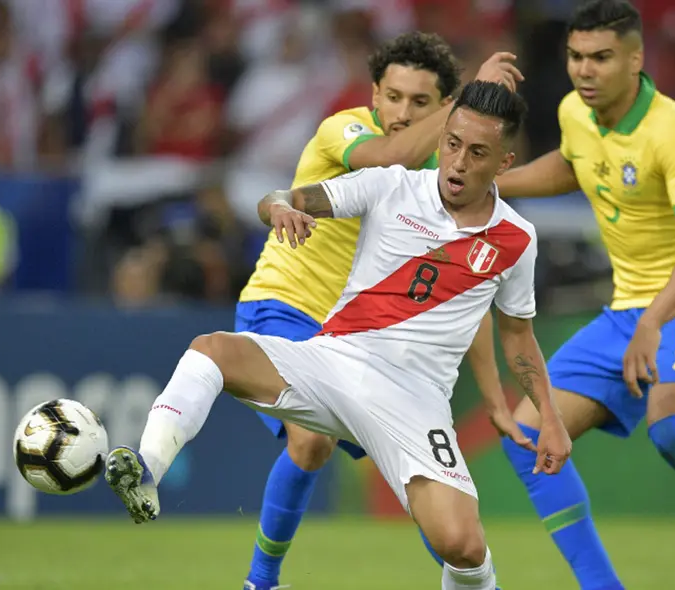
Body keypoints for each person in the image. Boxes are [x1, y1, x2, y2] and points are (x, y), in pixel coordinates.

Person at [104, 80, 574, 590]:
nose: (457, 162)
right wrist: (281, 207)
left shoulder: (516, 240)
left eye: (477, 152)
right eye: (452, 144)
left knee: (462, 546)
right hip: (333, 361)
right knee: (212, 350)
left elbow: (517, 337)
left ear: (504, 162)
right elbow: (285, 197)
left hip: (415, 401)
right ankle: (147, 470)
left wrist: (550, 417)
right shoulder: (390, 185)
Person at [490, 2, 675, 589]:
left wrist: (654, 320)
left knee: (673, 430)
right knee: (527, 438)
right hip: (627, 310)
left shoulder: (672, 130)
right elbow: (575, 165)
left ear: (635, 59)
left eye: (601, 57)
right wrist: (494, 183)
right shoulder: (576, 113)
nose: (584, 70)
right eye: (576, 56)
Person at [230, 32, 529, 589]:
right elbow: (391, 155)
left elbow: (466, 303)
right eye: (393, 97)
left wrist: (494, 400)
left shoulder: (442, 182)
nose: (401, 112)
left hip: (366, 340)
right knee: (311, 441)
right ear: (374, 94)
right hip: (288, 302)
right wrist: (472, 94)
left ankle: (469, 576)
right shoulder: (346, 130)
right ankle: (261, 581)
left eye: (420, 102)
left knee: (421, 477)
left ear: (440, 108)